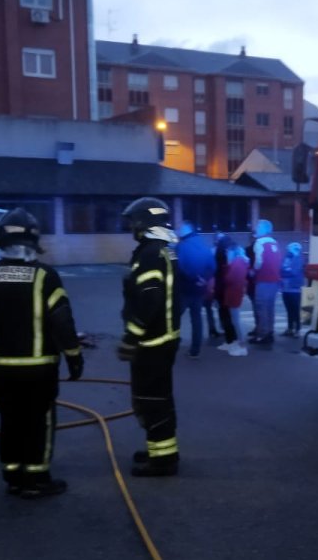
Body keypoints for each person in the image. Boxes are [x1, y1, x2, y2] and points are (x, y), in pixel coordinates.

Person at [0, 208, 84, 498]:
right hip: (39, 368)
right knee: (39, 421)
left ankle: (13, 476)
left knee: (10, 420)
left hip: (2, 369)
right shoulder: (45, 277)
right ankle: (37, 479)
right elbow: (62, 321)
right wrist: (74, 357)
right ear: (34, 241)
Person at [118, 198, 183, 477]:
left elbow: (149, 300)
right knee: (159, 399)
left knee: (151, 401)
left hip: (152, 343)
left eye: (134, 221)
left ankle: (163, 461)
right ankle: (160, 450)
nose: (131, 227)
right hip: (164, 339)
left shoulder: (149, 254)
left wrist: (132, 338)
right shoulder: (163, 251)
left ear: (144, 222)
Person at [174, 220, 215, 359]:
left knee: (173, 317)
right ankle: (195, 350)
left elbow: (179, 268)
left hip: (184, 290)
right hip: (200, 290)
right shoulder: (204, 244)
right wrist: (203, 279)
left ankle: (172, 343)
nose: (178, 230)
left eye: (180, 228)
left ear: (186, 229)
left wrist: (193, 279)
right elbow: (212, 266)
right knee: (196, 319)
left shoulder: (182, 246)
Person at [248, 219, 283, 346]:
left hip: (263, 280)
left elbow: (259, 262)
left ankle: (262, 335)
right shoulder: (275, 242)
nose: (255, 228)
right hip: (274, 281)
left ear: (264, 229)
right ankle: (270, 332)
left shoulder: (259, 242)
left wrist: (253, 271)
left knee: (261, 307)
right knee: (270, 307)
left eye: (258, 226)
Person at [217, 246, 250, 357]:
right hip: (235, 293)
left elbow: (229, 279)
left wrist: (227, 266)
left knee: (236, 320)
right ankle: (239, 343)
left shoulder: (237, 262)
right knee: (235, 319)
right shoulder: (241, 261)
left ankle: (242, 346)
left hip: (233, 293)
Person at [280, 242, 306, 338]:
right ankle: (290, 328)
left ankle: (298, 329)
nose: (289, 251)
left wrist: (285, 271)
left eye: (290, 249)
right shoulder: (286, 259)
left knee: (295, 310)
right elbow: (281, 270)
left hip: (295, 289)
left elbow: (293, 272)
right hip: (285, 289)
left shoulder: (298, 259)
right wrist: (286, 270)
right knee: (289, 310)